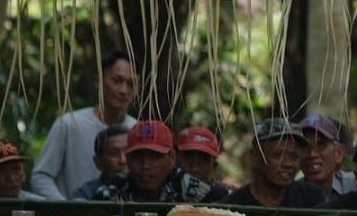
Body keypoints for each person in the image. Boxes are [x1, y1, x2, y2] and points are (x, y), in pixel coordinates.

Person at [28, 49, 137, 200]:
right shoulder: (69, 123)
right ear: (98, 81)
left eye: (131, 84)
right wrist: (69, 211)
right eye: (117, 81)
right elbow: (41, 176)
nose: (124, 90)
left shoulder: (138, 130)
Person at [89, 120, 229, 204]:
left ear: (171, 159)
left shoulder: (186, 185)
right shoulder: (111, 193)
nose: (145, 165)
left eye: (155, 156)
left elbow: (229, 198)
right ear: (129, 159)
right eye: (138, 156)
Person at [224, 117, 325, 209]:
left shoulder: (310, 198)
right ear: (255, 157)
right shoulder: (232, 208)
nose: (288, 164)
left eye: (294, 157)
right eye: (278, 155)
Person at [298, 113, 357, 197]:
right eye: (305, 146)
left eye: (321, 145)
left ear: (339, 153)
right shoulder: (290, 194)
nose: (312, 154)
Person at [72, 126, 129, 200]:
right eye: (114, 153)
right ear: (98, 162)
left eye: (127, 152)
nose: (123, 160)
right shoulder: (86, 195)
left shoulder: (145, 190)